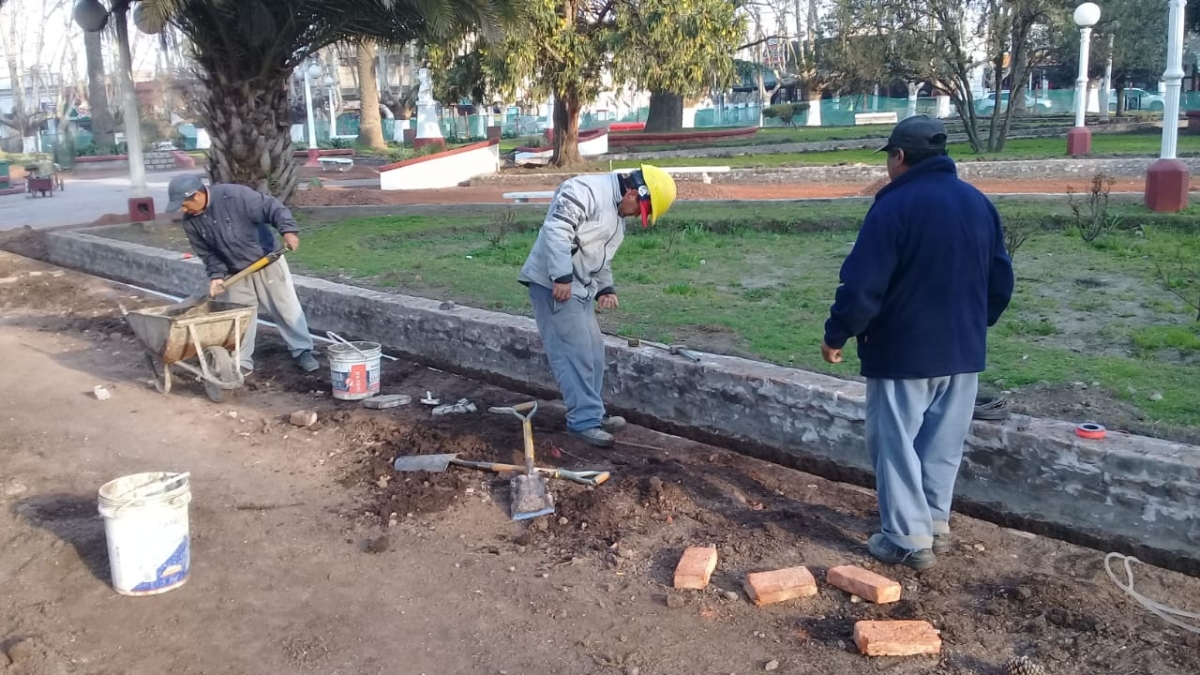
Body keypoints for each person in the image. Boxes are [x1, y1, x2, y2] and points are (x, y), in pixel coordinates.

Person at [819, 115, 1014, 570]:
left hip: (903, 351)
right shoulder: (977, 203)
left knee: (895, 444)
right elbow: (1001, 279)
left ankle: (906, 538)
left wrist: (837, 332)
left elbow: (862, 282)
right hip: (963, 352)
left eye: (889, 158)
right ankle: (934, 524)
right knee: (941, 443)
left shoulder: (894, 206)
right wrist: (973, 324)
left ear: (899, 157)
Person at [518, 164, 677, 448]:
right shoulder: (584, 190)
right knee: (574, 355)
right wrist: (561, 276)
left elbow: (599, 254)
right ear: (633, 191)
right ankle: (583, 422)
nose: (634, 216)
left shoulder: (617, 214)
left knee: (593, 354)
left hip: (579, 288)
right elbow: (556, 230)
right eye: (639, 209)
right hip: (554, 285)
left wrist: (606, 287)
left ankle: (593, 412)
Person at [166, 174, 319, 375]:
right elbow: (207, 254)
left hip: (266, 261)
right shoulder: (191, 222)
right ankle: (242, 361)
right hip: (234, 271)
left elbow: (272, 207)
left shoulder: (234, 196)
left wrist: (288, 231)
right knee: (240, 318)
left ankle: (302, 351)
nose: (183, 210)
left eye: (184, 205)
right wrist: (217, 276)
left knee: (286, 308)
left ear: (196, 196)